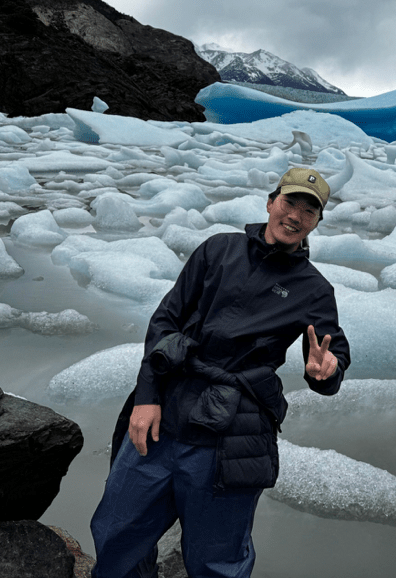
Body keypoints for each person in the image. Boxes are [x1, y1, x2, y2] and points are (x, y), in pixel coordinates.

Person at [90, 167, 350, 578]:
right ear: (271, 202)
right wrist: (146, 396)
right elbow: (165, 321)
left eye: (308, 211)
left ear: (317, 222)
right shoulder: (217, 250)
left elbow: (331, 358)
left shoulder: (314, 290)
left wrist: (325, 373)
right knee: (116, 532)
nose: (295, 216)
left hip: (232, 433)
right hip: (166, 410)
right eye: (289, 203)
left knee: (217, 561)